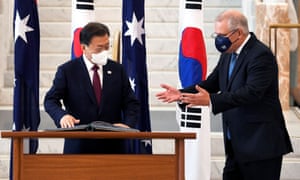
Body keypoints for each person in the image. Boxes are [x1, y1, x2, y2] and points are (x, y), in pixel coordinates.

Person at [156, 10, 293, 180]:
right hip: (236, 146)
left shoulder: (260, 55)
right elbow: (212, 83)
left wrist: (211, 100)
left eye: (221, 35)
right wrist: (182, 94)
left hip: (260, 146)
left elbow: (252, 93)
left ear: (238, 34)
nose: (218, 40)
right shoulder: (228, 54)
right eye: (216, 34)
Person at [44, 22, 140, 154]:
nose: (104, 52)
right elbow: (50, 100)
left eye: (107, 47)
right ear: (84, 47)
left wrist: (127, 125)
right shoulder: (67, 71)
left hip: (113, 146)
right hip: (79, 146)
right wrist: (62, 116)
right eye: (99, 48)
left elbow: (131, 103)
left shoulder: (117, 70)